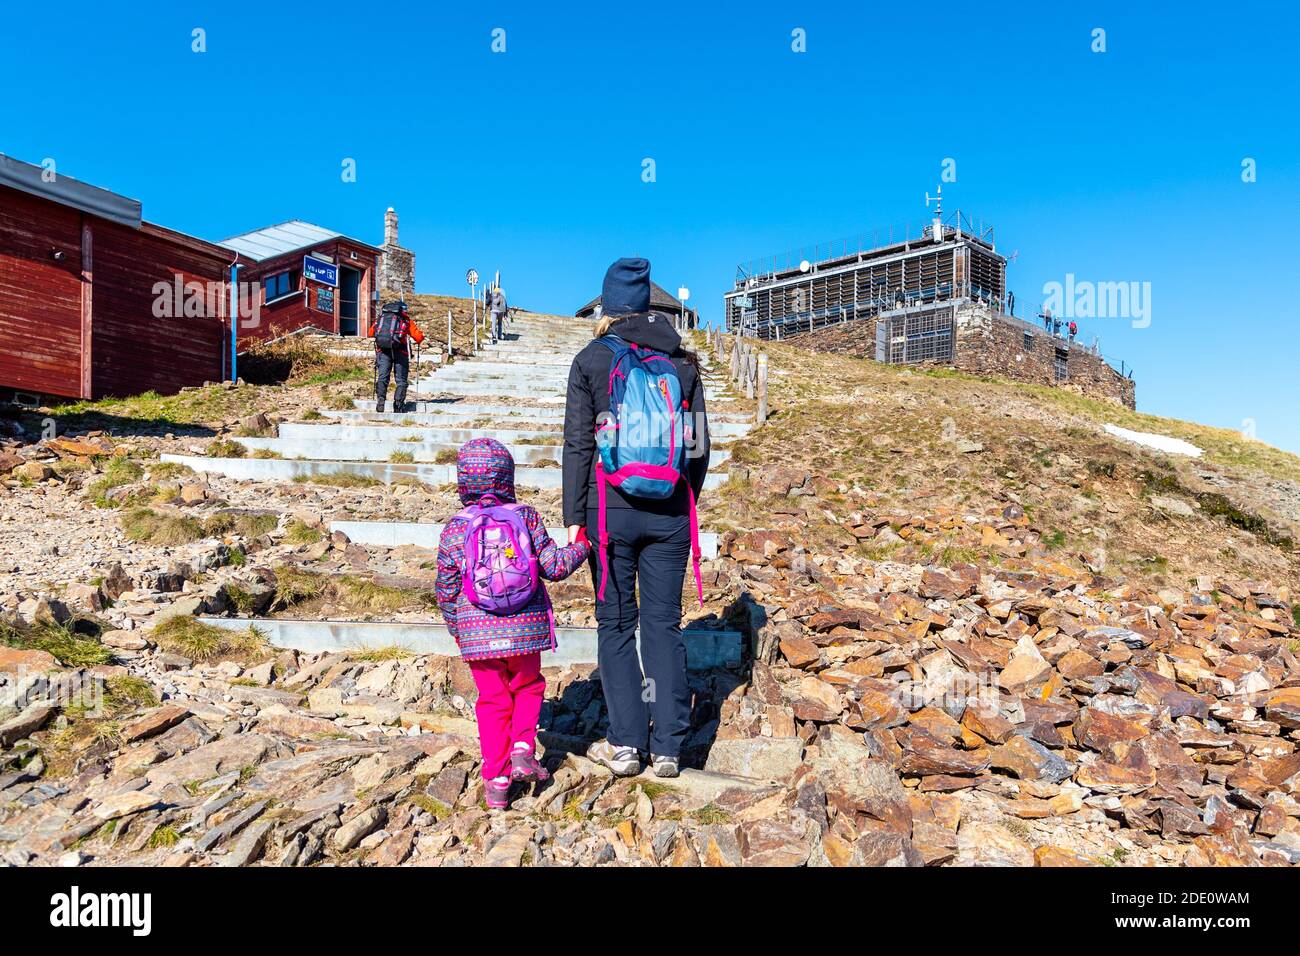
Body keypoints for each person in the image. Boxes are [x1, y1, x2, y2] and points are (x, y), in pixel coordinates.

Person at [562, 257, 710, 779]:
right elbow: (697, 446)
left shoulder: (591, 361)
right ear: (647, 304)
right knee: (663, 624)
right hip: (669, 511)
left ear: (607, 305)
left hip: (609, 512)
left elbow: (579, 446)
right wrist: (680, 494)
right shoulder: (684, 363)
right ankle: (669, 746)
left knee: (616, 623)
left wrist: (574, 517)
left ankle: (626, 742)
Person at [435, 438, 590, 809]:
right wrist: (583, 545)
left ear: (463, 482)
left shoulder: (455, 528)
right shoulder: (526, 516)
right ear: (508, 478)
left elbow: (446, 586)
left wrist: (459, 629)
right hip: (526, 628)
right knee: (529, 685)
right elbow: (553, 566)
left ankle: (497, 783)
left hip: (478, 633)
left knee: (491, 701)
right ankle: (523, 747)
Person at [369, 300, 424, 413]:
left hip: (383, 351)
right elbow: (418, 337)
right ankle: (398, 405)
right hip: (401, 352)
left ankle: (381, 400)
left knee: (383, 376)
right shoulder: (406, 320)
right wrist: (421, 336)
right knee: (401, 379)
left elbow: (371, 332)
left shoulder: (382, 318)